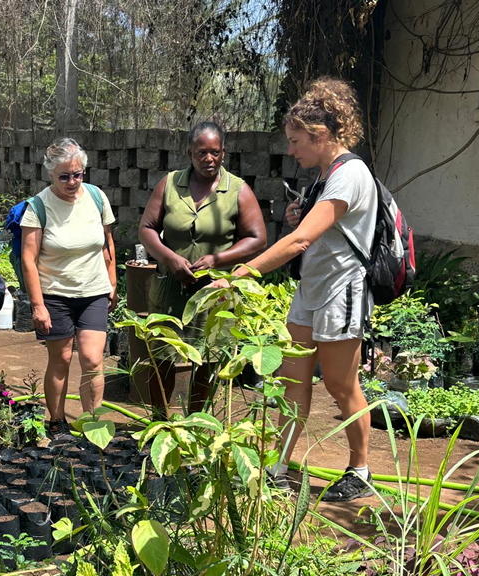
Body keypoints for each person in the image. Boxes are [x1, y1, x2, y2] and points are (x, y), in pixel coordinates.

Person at [210, 77, 375, 502]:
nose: (292, 149)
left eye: (296, 139)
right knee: (291, 382)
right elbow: (315, 231)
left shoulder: (351, 173)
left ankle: (360, 469)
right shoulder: (326, 175)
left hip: (341, 293)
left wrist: (243, 272)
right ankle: (279, 468)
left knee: (341, 386)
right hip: (310, 291)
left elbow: (301, 240)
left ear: (320, 135)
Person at [138, 121, 266, 414]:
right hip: (170, 288)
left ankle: (196, 425)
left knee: (208, 358)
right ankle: (160, 421)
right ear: (189, 152)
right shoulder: (170, 184)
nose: (209, 159)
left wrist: (217, 259)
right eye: (201, 153)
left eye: (215, 152)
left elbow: (258, 239)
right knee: (162, 357)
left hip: (214, 293)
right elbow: (146, 229)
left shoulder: (237, 190)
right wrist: (169, 258)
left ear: (223, 152)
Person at [20, 138, 117, 437]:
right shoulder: (38, 206)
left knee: (92, 359)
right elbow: (28, 259)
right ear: (50, 173)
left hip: (93, 292)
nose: (73, 181)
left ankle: (93, 423)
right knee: (60, 359)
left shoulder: (97, 197)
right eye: (65, 176)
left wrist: (112, 283)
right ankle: (57, 422)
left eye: (78, 174)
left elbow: (107, 243)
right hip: (55, 295)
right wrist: (38, 305)